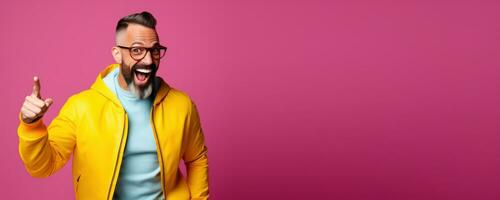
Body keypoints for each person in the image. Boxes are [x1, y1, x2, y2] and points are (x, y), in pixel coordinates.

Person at [17, 11, 209, 200]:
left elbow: (196, 159)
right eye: (137, 50)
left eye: (155, 50)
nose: (149, 60)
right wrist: (32, 126)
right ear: (117, 54)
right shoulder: (81, 107)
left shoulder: (182, 105)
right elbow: (43, 167)